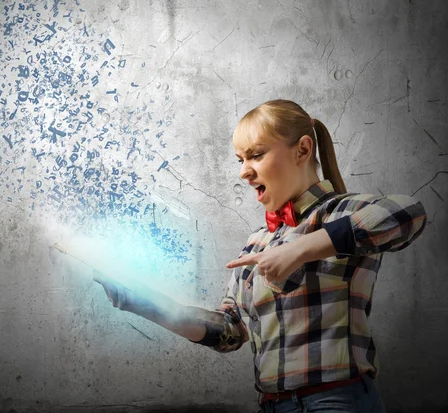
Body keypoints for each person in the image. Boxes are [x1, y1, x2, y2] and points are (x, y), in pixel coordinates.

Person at [94, 99, 428, 413]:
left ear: (302, 150)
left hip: (336, 401)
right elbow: (229, 332)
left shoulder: (342, 212)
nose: (244, 171)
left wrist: (298, 249)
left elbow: (407, 213)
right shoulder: (256, 244)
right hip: (272, 404)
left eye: (256, 155)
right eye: (240, 160)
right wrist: (142, 302)